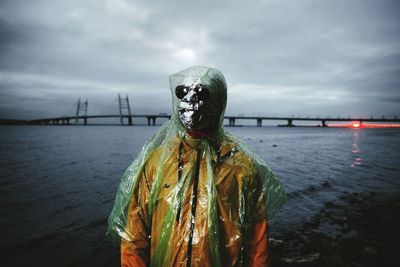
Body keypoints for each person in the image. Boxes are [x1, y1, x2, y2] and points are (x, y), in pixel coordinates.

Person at [107, 66, 287, 267]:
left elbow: (257, 238)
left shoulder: (241, 165)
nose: (191, 102)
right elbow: (134, 235)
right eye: (184, 94)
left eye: (202, 95)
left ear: (218, 103)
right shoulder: (157, 163)